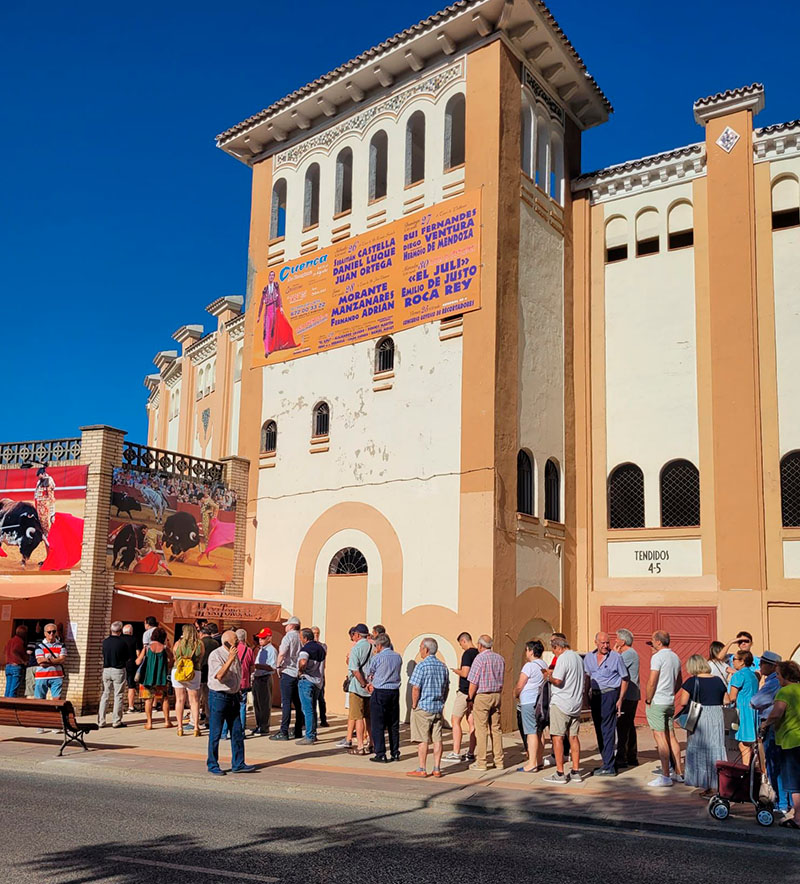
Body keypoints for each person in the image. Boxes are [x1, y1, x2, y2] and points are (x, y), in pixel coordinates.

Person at [674, 654, 728, 793]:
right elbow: (726, 700)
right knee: (715, 747)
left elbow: (683, 702)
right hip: (716, 715)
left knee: (699, 747)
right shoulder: (718, 680)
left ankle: (704, 783)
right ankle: (717, 783)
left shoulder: (692, 681)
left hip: (700, 716)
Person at [206, 630, 256, 776]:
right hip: (218, 697)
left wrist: (238, 690)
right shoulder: (216, 655)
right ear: (226, 642)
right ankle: (212, 764)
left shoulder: (235, 656)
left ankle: (238, 763)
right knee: (215, 732)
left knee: (237, 731)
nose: (238, 644)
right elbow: (220, 676)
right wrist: (230, 658)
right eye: (235, 642)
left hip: (233, 696)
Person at [759, 660, 800, 830]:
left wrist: (765, 724)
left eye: (778, 674)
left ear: (785, 676)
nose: (777, 677)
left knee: (794, 782)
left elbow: (777, 713)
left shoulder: (784, 692)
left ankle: (797, 817)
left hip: (790, 740)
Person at [751, 651, 791, 815]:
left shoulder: (774, 683)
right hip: (781, 727)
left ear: (774, 667)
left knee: (775, 765)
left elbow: (755, 701)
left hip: (773, 726)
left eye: (762, 664)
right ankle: (784, 801)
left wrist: (765, 724)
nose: (760, 666)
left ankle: (781, 803)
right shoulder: (776, 682)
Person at [584, 631, 629, 776]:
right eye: (602, 643)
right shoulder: (589, 658)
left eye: (607, 643)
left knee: (608, 729)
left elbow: (625, 678)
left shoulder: (616, 657)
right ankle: (606, 761)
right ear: (596, 642)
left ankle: (609, 766)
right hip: (595, 696)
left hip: (610, 694)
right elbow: (586, 677)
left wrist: (620, 699)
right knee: (598, 729)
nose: (605, 646)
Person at [542, 636, 584, 784]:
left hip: (561, 703)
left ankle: (560, 773)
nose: (555, 654)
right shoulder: (578, 658)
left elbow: (558, 680)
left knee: (557, 737)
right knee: (573, 737)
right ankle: (576, 771)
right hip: (576, 702)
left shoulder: (563, 658)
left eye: (554, 651)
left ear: (558, 647)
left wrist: (548, 676)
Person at [645, 630, 684, 787]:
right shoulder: (675, 657)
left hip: (658, 701)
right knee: (671, 736)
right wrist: (671, 692)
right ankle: (679, 773)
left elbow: (652, 680)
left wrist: (648, 699)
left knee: (660, 736)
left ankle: (665, 775)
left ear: (658, 642)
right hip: (669, 700)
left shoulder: (657, 657)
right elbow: (679, 681)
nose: (652, 643)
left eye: (653, 640)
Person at [407, 637, 450, 778]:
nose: (420, 650)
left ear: (426, 649)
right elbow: (446, 687)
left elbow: (415, 688)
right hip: (437, 707)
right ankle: (437, 768)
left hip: (424, 707)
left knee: (423, 739)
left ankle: (422, 768)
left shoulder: (421, 666)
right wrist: (442, 701)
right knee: (437, 739)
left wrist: (414, 704)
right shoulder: (443, 666)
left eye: (420, 647)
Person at [467, 634, 505, 772]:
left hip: (483, 695)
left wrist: (470, 698)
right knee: (496, 728)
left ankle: (481, 761)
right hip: (497, 694)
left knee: (481, 729)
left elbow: (473, 682)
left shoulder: (479, 659)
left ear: (480, 645)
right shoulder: (500, 658)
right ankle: (499, 761)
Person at [367, 632, 403, 763]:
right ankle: (395, 752)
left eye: (376, 645)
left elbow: (370, 673)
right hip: (394, 691)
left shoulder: (377, 658)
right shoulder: (398, 657)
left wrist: (370, 683)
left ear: (380, 645)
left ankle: (381, 753)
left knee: (378, 724)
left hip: (380, 691)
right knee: (393, 724)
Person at [514, 640, 548, 772]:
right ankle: (539, 760)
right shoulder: (543, 664)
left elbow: (520, 684)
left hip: (529, 701)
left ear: (532, 651)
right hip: (540, 701)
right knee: (539, 731)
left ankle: (532, 763)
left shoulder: (529, 666)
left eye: (527, 650)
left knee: (531, 732)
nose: (526, 653)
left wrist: (516, 693)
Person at [445, 632, 478, 762]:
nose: (461, 647)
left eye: (461, 644)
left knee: (455, 720)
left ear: (464, 641)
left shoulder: (468, 654)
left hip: (465, 691)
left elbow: (465, 673)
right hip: (475, 692)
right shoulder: (478, 653)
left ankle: (456, 751)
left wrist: (456, 671)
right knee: (471, 722)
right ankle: (471, 752)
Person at [271, 616, 304, 741]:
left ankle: (283, 731)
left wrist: (278, 666)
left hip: (288, 672)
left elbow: (282, 653)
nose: (285, 627)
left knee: (286, 703)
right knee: (297, 703)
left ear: (291, 626)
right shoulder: (301, 637)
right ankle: (298, 730)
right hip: (298, 673)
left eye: (287, 625)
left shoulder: (288, 637)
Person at [135, 628, 173, 730]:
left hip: (147, 678)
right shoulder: (165, 649)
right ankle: (167, 721)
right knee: (164, 699)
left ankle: (149, 723)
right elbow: (171, 662)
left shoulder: (147, 648)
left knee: (148, 700)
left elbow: (138, 662)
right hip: (160, 678)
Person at [171, 624, 204, 737]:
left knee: (179, 700)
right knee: (194, 700)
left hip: (179, 671)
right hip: (194, 671)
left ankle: (180, 727)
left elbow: (175, 655)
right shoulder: (199, 644)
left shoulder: (178, 643)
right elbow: (201, 657)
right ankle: (196, 727)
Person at [613, 628, 640, 768]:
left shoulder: (628, 654)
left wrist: (614, 654)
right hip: (631, 695)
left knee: (623, 725)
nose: (615, 641)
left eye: (617, 638)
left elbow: (614, 666)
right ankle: (631, 755)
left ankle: (622, 757)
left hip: (628, 695)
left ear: (622, 642)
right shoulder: (630, 653)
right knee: (628, 725)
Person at [222, 630, 254, 740]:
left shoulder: (229, 649)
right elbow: (252, 667)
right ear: (245, 638)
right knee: (242, 707)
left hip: (232, 682)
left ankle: (224, 732)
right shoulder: (248, 650)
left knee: (228, 707)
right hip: (244, 682)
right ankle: (241, 732)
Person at [729, 649, 759, 765]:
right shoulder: (753, 675)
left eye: (734, 659)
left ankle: (745, 771)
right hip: (753, 710)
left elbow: (732, 697)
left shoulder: (738, 675)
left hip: (743, 712)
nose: (733, 662)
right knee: (751, 743)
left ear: (742, 661)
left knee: (744, 745)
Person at [347, 623, 373, 755]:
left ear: (357, 635)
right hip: (371, 687)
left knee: (358, 717)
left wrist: (363, 684)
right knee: (369, 717)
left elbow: (355, 670)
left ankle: (360, 746)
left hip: (358, 687)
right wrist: (369, 684)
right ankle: (372, 743)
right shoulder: (373, 646)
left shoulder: (356, 648)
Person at [257, 270, 297, 358]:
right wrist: (259, 315)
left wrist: (281, 307)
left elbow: (279, 296)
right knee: (267, 329)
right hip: (268, 310)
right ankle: (267, 350)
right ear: (268, 277)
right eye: (270, 275)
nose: (271, 277)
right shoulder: (265, 289)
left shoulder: (276, 286)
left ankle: (275, 346)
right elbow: (261, 302)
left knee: (275, 328)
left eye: (273, 275)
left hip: (275, 309)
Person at [297, 627, 326, 744]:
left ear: (305, 638)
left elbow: (303, 662)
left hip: (307, 680)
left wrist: (300, 670)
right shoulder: (321, 648)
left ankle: (309, 735)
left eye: (301, 637)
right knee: (313, 709)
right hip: (318, 681)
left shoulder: (305, 649)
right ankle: (313, 734)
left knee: (307, 709)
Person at [98, 621, 130, 729]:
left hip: (106, 669)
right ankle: (116, 721)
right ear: (120, 631)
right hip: (118, 670)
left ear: (111, 630)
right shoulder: (123, 643)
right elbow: (127, 657)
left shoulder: (105, 642)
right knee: (118, 695)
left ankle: (101, 720)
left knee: (105, 694)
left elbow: (103, 654)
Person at [251, 627, 277, 736]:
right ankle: (259, 724)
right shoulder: (261, 649)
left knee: (264, 704)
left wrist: (257, 666)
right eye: (260, 638)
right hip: (257, 678)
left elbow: (272, 667)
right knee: (257, 703)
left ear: (269, 638)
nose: (260, 640)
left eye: (263, 638)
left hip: (265, 678)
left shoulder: (272, 650)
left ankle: (264, 726)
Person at [34, 623, 66, 702]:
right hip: (42, 676)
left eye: (53, 631)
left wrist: (47, 660)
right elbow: (40, 662)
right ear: (45, 633)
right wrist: (56, 661)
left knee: (57, 700)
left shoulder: (61, 645)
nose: (51, 634)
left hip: (57, 676)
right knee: (39, 700)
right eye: (49, 632)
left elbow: (62, 660)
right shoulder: (39, 645)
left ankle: (55, 714)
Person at [199, 624, 221, 723]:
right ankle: (210, 717)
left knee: (198, 698)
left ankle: (202, 718)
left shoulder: (200, 643)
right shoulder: (215, 643)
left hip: (201, 671)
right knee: (209, 696)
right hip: (212, 672)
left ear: (202, 633)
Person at [311, 626, 329, 728]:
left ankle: (323, 719)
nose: (316, 635)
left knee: (321, 698)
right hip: (311, 675)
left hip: (320, 675)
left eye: (318, 633)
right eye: (314, 633)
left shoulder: (323, 646)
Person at [4, 625, 28, 697]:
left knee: (8, 689)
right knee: (13, 690)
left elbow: (5, 651)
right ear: (23, 634)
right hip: (16, 666)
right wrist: (23, 661)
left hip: (8, 666)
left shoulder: (10, 640)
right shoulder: (19, 641)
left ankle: (5, 706)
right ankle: (10, 706)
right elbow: (15, 651)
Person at [34, 466, 56, 538]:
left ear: (43, 474)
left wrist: (52, 512)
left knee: (48, 520)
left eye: (40, 475)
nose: (39, 478)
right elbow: (36, 494)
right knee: (41, 520)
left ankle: (48, 535)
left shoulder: (49, 480)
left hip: (47, 504)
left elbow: (51, 492)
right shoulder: (39, 482)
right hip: (40, 505)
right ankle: (44, 534)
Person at [121, 624, 138, 713]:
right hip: (131, 665)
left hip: (120, 665)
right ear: (131, 632)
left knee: (119, 686)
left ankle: (119, 706)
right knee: (131, 686)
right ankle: (131, 707)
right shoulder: (134, 639)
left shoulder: (119, 640)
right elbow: (138, 653)